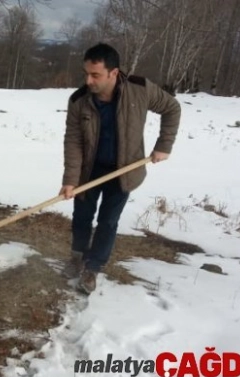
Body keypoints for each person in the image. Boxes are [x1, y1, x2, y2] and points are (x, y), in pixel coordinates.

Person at [60, 43, 181, 294]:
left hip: (124, 170)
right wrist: (71, 179)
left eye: (95, 75)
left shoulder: (140, 89)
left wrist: (163, 145)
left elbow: (172, 108)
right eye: (86, 73)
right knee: (82, 217)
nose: (88, 80)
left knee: (108, 221)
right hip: (88, 170)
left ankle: (93, 268)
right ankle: (77, 256)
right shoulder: (79, 100)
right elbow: (73, 141)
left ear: (113, 73)